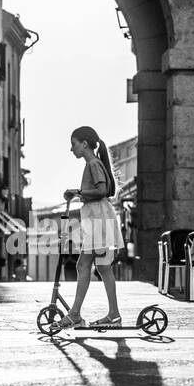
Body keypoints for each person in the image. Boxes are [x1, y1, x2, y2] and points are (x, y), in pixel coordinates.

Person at [57, 126, 126, 328]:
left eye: (74, 144)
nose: (72, 149)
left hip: (98, 218)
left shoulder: (93, 164)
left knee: (83, 265)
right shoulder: (93, 164)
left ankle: (75, 314)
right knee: (103, 267)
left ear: (84, 144)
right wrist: (78, 193)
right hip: (99, 217)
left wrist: (77, 191)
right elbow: (100, 191)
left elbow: (102, 190)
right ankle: (113, 315)